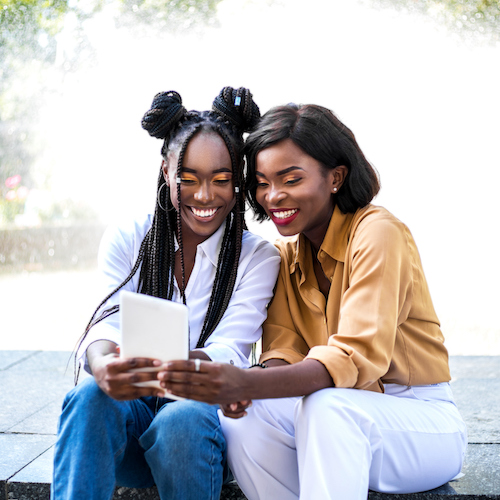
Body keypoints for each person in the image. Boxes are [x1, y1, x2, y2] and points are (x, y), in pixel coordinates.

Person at [158, 103, 468, 499]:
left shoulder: (378, 233)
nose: (274, 196)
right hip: (340, 413)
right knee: (246, 418)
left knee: (327, 408)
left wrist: (245, 379)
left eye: (291, 179)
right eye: (263, 183)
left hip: (420, 421)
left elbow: (355, 356)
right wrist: (243, 385)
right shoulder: (285, 257)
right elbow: (281, 353)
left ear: (336, 177)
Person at [50, 87, 281, 500]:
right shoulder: (129, 236)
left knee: (181, 421)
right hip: (130, 425)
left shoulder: (257, 258)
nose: (205, 195)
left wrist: (165, 366)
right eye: (187, 179)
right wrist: (103, 365)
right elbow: (107, 324)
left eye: (222, 180)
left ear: (238, 180)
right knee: (88, 396)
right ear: (165, 171)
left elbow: (233, 348)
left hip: (201, 433)